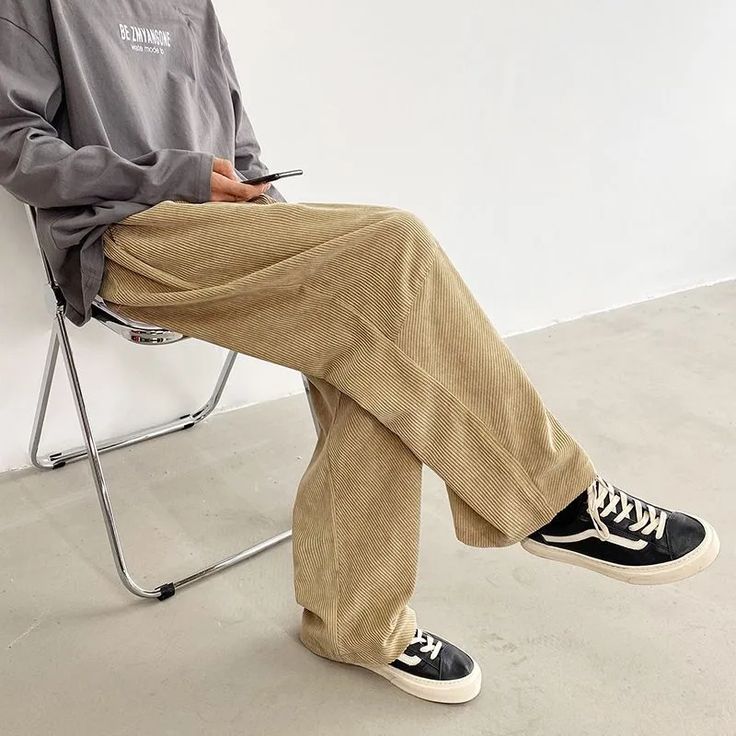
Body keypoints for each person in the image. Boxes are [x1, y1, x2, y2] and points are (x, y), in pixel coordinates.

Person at [0, 0, 720, 705]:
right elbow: (15, 146)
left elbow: (238, 144)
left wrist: (267, 210)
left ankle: (355, 624)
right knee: (391, 245)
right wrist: (171, 178)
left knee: (377, 327)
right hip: (123, 235)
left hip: (222, 226)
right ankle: (557, 502)